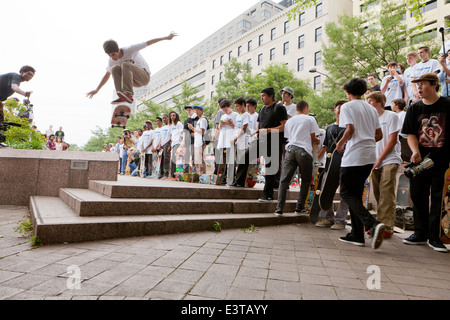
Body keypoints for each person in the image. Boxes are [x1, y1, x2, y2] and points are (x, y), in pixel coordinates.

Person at [402, 73, 450, 253]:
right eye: (417, 85)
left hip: (442, 159)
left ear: (434, 84)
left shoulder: (447, 105)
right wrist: (415, 152)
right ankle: (419, 233)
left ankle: (435, 237)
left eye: (423, 85)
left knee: (439, 198)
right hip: (420, 160)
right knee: (417, 195)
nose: (419, 89)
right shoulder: (414, 108)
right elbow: (411, 134)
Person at [335, 77, 386, 250]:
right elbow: (379, 135)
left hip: (354, 156)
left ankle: (372, 223)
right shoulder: (371, 109)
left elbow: (350, 129)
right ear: (364, 92)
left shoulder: (347, 106)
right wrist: (366, 138)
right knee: (356, 196)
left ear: (348, 93)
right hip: (369, 156)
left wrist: (340, 143)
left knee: (346, 193)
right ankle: (357, 235)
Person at [86, 33, 177, 104]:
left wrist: (167, 37)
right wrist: (97, 89)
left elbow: (148, 43)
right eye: (109, 55)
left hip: (144, 77)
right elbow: (107, 75)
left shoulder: (130, 49)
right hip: (133, 81)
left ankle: (128, 94)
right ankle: (122, 95)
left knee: (125, 65)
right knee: (115, 69)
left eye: (113, 54)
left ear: (118, 50)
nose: (112, 57)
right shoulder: (111, 61)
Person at [366, 91, 402, 239]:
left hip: (390, 159)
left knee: (386, 192)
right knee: (378, 194)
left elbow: (392, 140)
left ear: (379, 102)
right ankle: (380, 225)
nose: (367, 104)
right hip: (374, 160)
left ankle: (386, 228)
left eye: (370, 101)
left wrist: (380, 159)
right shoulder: (370, 119)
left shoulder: (391, 116)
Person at [275, 100, 320, 216]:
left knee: (284, 180)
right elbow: (313, 137)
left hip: (290, 150)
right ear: (306, 108)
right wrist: (317, 141)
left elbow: (289, 137)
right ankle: (299, 207)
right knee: (305, 180)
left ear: (297, 109)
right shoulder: (310, 119)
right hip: (304, 151)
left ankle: (279, 208)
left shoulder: (290, 121)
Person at [315, 101, 349, 230]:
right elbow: (325, 146)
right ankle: (327, 217)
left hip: (345, 163)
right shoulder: (329, 128)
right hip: (329, 165)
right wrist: (316, 159)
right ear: (334, 110)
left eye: (343, 108)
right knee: (326, 190)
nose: (340, 110)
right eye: (338, 107)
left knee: (345, 192)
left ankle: (340, 220)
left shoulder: (349, 127)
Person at [257, 88, 288, 202]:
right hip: (262, 140)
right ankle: (239, 183)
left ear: (271, 96)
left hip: (275, 141)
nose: (262, 98)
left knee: (271, 168)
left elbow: (284, 126)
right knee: (245, 156)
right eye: (261, 96)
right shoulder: (262, 109)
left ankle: (268, 195)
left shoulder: (279, 108)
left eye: (264, 96)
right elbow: (259, 125)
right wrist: (257, 134)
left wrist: (269, 130)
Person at [216, 99, 239, 185]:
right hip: (223, 141)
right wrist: (221, 124)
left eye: (226, 109)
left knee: (231, 162)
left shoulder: (236, 115)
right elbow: (219, 127)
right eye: (223, 110)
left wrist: (230, 124)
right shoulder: (222, 116)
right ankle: (221, 179)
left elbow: (238, 128)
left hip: (231, 140)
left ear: (230, 107)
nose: (225, 111)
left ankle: (231, 181)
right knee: (222, 161)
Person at [229, 98, 250, 187]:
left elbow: (244, 127)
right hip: (236, 140)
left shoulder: (246, 115)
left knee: (242, 162)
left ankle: (240, 181)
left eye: (238, 106)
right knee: (238, 161)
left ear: (242, 105)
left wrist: (237, 137)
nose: (236, 108)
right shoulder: (238, 116)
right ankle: (238, 180)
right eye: (235, 107)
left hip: (243, 140)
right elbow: (236, 127)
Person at [189, 106, 208, 175]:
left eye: (198, 110)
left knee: (200, 160)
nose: (197, 111)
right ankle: (199, 174)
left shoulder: (203, 120)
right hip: (197, 143)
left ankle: (202, 174)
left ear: (202, 111)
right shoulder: (199, 120)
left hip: (201, 143)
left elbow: (202, 132)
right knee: (197, 160)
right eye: (196, 110)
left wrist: (192, 128)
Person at [182, 106, 198, 174]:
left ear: (193, 110)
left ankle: (194, 172)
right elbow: (184, 131)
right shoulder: (186, 120)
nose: (188, 111)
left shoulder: (196, 118)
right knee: (186, 157)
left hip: (193, 141)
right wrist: (183, 140)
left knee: (194, 157)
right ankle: (185, 172)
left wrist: (194, 133)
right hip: (187, 141)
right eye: (187, 110)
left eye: (189, 110)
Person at [169, 111, 184, 180]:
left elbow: (183, 133)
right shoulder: (172, 126)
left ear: (176, 116)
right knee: (173, 159)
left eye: (173, 115)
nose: (172, 117)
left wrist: (182, 144)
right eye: (171, 116)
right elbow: (172, 136)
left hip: (178, 143)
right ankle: (173, 175)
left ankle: (177, 175)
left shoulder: (179, 123)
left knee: (177, 160)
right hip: (173, 144)